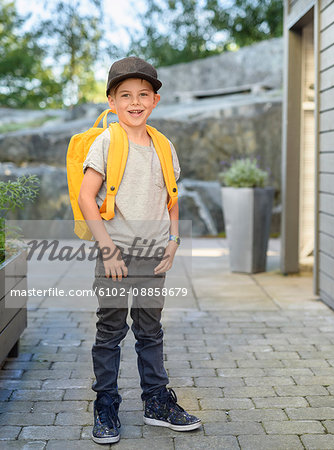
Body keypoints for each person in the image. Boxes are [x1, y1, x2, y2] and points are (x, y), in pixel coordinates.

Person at [78, 56, 201, 445]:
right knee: (111, 329)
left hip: (152, 254)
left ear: (155, 100)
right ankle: (106, 404)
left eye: (143, 94)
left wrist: (173, 239)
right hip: (114, 251)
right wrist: (108, 249)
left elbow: (172, 198)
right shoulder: (106, 141)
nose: (135, 102)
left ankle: (156, 402)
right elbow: (85, 197)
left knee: (150, 330)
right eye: (125, 94)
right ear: (112, 101)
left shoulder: (163, 144)